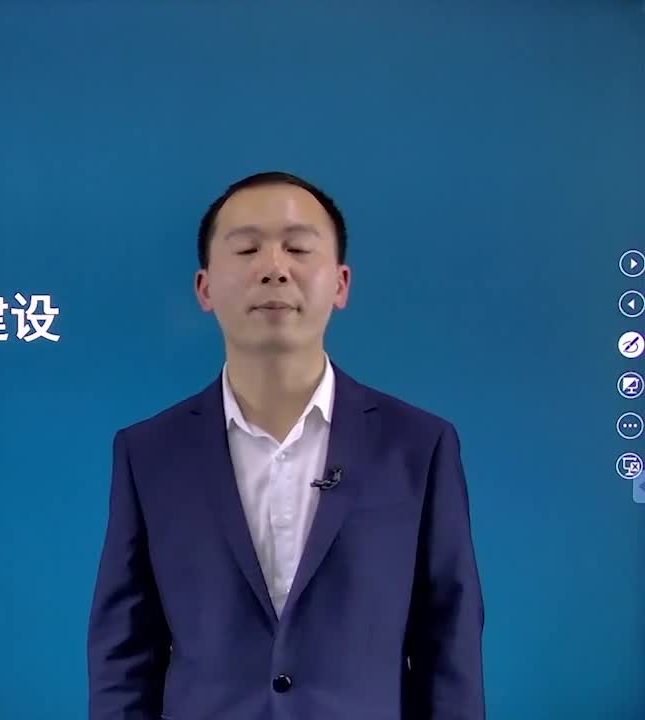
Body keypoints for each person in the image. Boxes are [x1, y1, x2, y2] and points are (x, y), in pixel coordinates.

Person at [86, 171, 486, 720]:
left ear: (340, 284)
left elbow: (450, 641)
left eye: (298, 248)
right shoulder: (149, 453)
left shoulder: (418, 445)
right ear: (205, 288)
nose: (274, 268)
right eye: (246, 249)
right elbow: (125, 653)